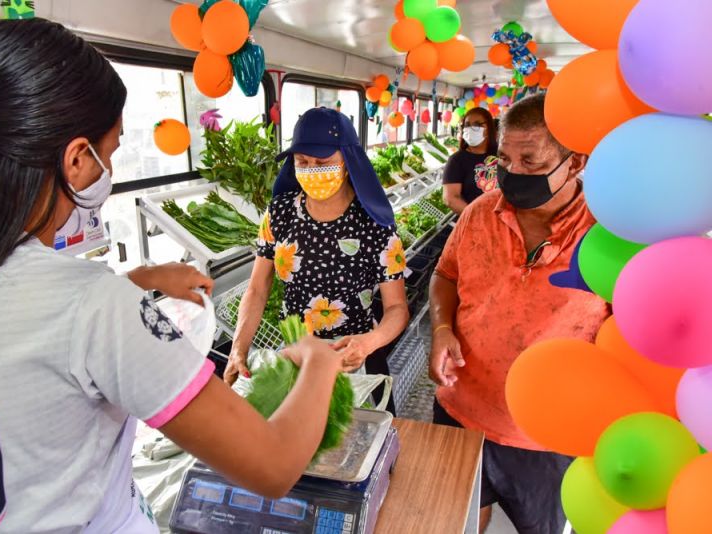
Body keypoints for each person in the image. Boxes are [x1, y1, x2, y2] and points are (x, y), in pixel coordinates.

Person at [0, 19, 344, 534]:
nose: (106, 172)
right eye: (109, 154)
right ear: (76, 159)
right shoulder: (94, 306)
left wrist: (135, 279)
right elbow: (272, 465)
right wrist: (318, 362)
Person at [428, 93, 610, 534]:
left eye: (531, 161)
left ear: (576, 162)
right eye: (506, 159)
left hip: (547, 436)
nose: (514, 173)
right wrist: (441, 327)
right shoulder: (478, 214)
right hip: (460, 410)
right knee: (460, 516)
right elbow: (445, 276)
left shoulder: (609, 236)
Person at [224, 107, 410, 414]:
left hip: (354, 357)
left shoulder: (374, 223)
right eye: (302, 163)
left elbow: (396, 308)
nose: (311, 170)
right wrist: (237, 348)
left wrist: (369, 342)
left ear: (348, 163)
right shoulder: (280, 214)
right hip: (296, 356)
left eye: (322, 163)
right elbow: (257, 289)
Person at [442, 107, 499, 214]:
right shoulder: (457, 160)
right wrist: (478, 218)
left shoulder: (502, 154)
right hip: (474, 222)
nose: (471, 128)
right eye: (467, 125)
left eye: (477, 125)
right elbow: (450, 199)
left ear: (489, 128)